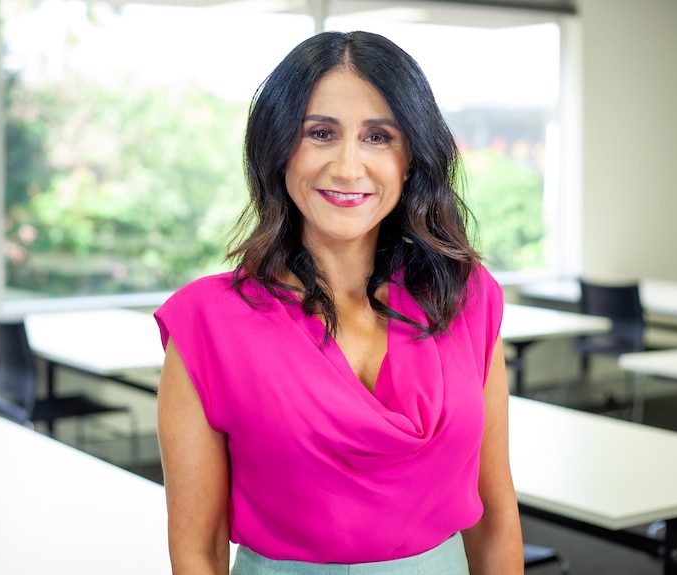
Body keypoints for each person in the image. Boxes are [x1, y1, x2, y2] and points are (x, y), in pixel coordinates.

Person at [155, 30, 523, 575]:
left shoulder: (466, 299)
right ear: (278, 150)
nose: (349, 167)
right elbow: (197, 549)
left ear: (410, 158)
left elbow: (494, 515)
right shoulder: (207, 325)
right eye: (321, 134)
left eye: (378, 137)